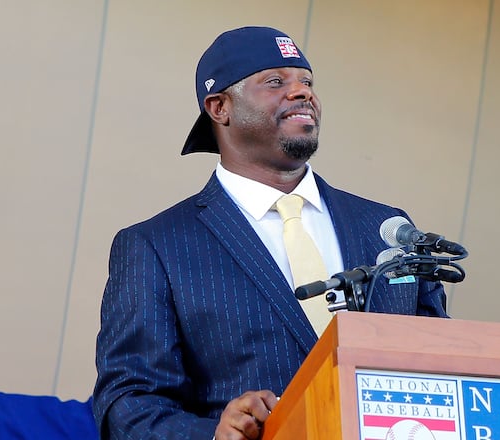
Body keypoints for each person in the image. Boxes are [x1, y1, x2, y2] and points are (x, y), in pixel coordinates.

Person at [93, 26, 449, 440]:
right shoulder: (157, 247)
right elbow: (129, 406)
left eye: (307, 82)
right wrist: (214, 434)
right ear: (219, 107)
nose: (302, 92)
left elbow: (443, 367)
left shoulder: (387, 229)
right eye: (276, 82)